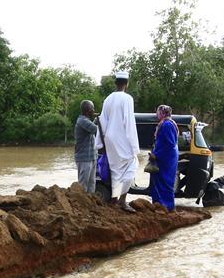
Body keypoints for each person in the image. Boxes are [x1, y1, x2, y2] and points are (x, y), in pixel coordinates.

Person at [96, 70, 140, 212]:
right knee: (132, 164)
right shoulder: (127, 99)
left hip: (109, 138)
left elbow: (102, 120)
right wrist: (134, 147)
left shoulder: (107, 99)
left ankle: (114, 200)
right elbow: (129, 122)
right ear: (127, 84)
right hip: (122, 137)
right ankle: (122, 200)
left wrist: (100, 143)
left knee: (116, 170)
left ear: (116, 83)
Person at [149, 104, 179, 211]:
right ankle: (159, 204)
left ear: (162, 113)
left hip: (166, 158)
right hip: (166, 156)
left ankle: (167, 206)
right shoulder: (167, 123)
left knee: (165, 181)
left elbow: (170, 144)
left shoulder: (167, 125)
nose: (157, 114)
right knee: (158, 180)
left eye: (158, 112)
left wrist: (156, 155)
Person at [74, 100, 98, 193]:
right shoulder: (82, 121)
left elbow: (93, 126)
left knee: (92, 184)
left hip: (91, 157)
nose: (94, 110)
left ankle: (90, 205)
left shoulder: (86, 121)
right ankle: (80, 206)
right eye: (93, 108)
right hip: (84, 158)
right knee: (83, 185)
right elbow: (96, 129)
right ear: (88, 110)